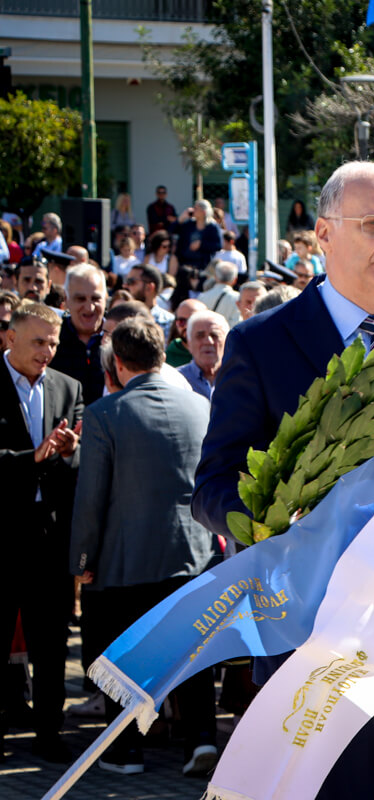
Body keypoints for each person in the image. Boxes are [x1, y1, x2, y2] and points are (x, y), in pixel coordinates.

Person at [192, 161, 374, 800]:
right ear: (323, 234)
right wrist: (277, 523)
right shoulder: (261, 343)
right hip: (316, 645)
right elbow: (212, 487)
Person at [68, 316, 221, 776]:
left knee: (127, 655)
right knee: (191, 651)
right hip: (193, 552)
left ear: (117, 362)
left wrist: (81, 559)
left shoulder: (104, 414)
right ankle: (201, 739)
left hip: (126, 558)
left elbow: (91, 497)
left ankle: (126, 751)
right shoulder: (200, 406)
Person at [0, 301, 85, 764]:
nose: (47, 351)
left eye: (52, 343)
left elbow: (80, 463)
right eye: (38, 342)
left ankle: (49, 733)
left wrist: (70, 452)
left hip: (49, 539)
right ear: (10, 338)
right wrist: (28, 459)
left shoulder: (68, 388)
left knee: (51, 644)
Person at [49, 265, 107, 406]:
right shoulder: (51, 339)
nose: (89, 307)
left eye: (95, 298)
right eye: (80, 299)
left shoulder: (120, 340)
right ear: (66, 299)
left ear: (106, 298)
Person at [178, 310, 228, 400]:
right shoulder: (176, 379)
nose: (208, 341)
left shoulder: (241, 377)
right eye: (200, 336)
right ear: (189, 344)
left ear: (227, 341)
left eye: (214, 335)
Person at [197, 261, 242, 330]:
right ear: (235, 280)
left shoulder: (202, 297)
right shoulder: (239, 298)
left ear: (215, 277)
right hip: (228, 334)